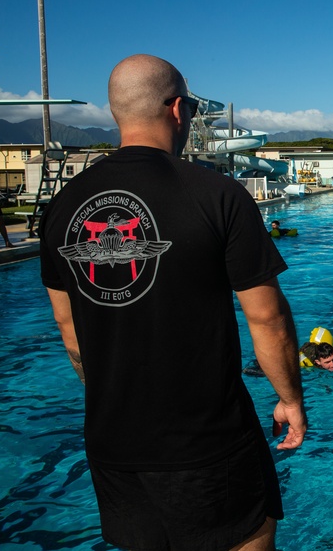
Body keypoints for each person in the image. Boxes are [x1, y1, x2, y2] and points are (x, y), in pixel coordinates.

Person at [39, 54, 307, 550]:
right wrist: (291, 399)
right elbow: (265, 316)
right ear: (178, 109)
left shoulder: (62, 206)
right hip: (208, 439)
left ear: (117, 113)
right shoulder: (218, 194)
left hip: (112, 442)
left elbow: (69, 330)